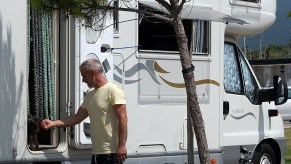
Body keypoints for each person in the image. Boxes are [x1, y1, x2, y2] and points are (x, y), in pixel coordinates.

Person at [40, 58, 128, 164]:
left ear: (93, 73)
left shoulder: (113, 91)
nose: (83, 80)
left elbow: (123, 119)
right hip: (96, 153)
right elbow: (76, 118)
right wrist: (53, 123)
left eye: (84, 76)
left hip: (112, 153)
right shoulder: (90, 95)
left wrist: (122, 146)